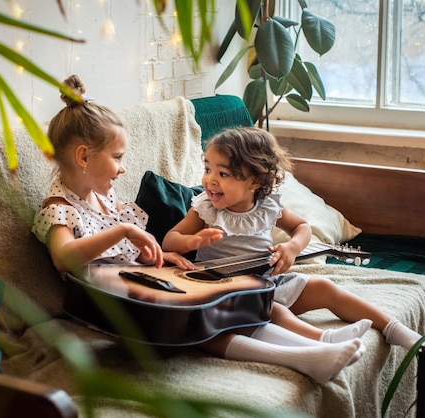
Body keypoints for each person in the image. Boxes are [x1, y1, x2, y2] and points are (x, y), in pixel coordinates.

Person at [32, 75, 364, 384]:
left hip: (140, 292)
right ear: (83, 157)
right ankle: (300, 359)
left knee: (230, 308)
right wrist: (124, 232)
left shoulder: (105, 198)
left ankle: (319, 347)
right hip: (110, 309)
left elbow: (128, 266)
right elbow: (65, 259)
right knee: (203, 323)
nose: (123, 168)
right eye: (118, 157)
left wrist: (166, 256)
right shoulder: (59, 208)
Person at [162, 126, 421, 350]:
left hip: (267, 282)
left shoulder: (267, 205)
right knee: (272, 310)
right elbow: (169, 240)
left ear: (255, 181)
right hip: (222, 293)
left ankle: (391, 327)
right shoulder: (206, 209)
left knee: (324, 287)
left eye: (223, 174)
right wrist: (191, 242)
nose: (210, 181)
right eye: (207, 169)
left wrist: (292, 248)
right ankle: (325, 340)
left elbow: (302, 227)